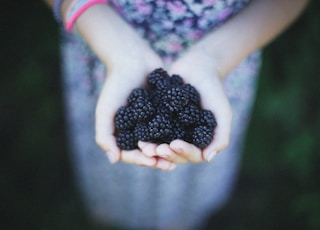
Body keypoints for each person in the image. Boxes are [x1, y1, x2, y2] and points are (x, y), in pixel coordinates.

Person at [43, 0, 309, 229]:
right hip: (105, 51)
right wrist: (116, 47)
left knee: (189, 170)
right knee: (110, 165)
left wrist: (214, 59)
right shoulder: (147, 103)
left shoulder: (186, 106)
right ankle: (109, 205)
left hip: (223, 63)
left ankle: (180, 217)